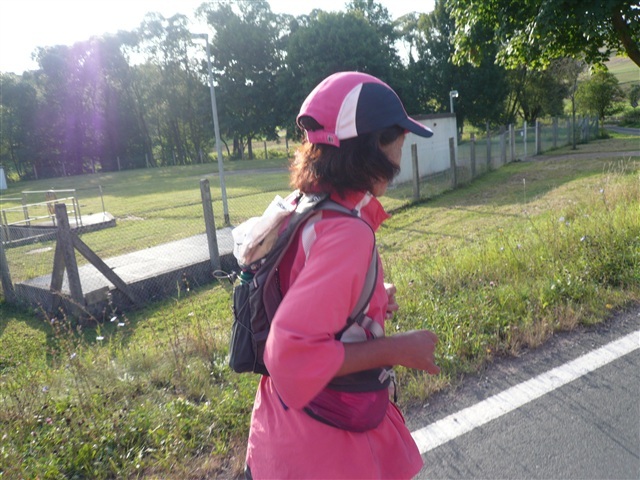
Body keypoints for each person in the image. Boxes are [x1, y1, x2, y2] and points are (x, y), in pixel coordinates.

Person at [245, 71, 440, 479]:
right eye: (398, 134)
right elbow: (291, 355)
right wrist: (397, 349)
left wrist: (369, 299)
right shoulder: (348, 233)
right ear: (373, 144)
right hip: (328, 451)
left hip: (279, 435)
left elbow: (298, 287)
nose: (404, 143)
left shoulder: (302, 206)